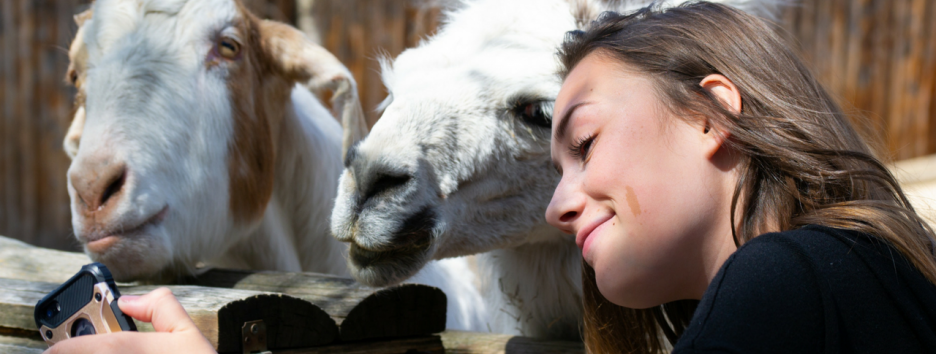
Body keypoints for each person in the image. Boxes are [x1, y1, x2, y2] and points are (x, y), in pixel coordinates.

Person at [46, 2, 936, 354]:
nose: (557, 200)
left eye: (572, 135)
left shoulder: (785, 278)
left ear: (712, 115)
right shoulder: (850, 274)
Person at [545, 2, 936, 353]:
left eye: (585, 144)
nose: (554, 209)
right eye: (559, 173)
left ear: (712, 114)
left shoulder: (776, 283)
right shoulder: (883, 272)